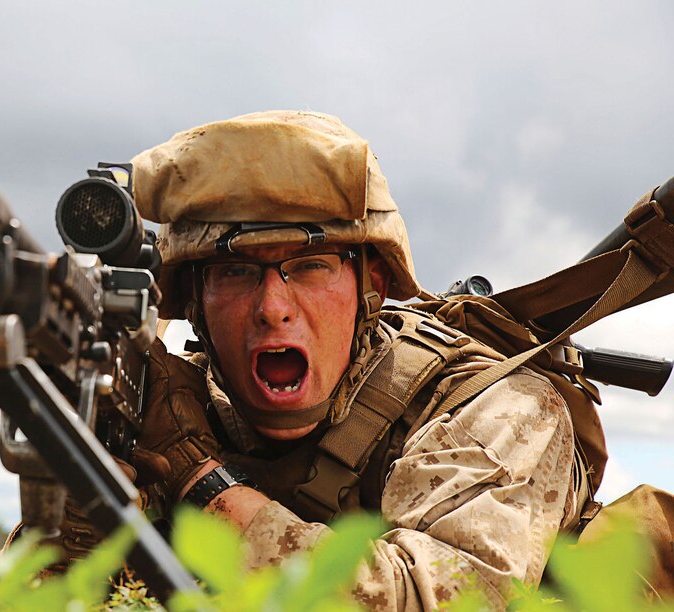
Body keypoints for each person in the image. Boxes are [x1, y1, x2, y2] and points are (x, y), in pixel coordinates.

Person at [107, 110, 585, 609]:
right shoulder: (159, 409)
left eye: (310, 265)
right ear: (194, 302)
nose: (272, 309)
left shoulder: (495, 410)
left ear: (370, 287)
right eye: (234, 272)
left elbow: (445, 601)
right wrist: (83, 499)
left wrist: (202, 484)